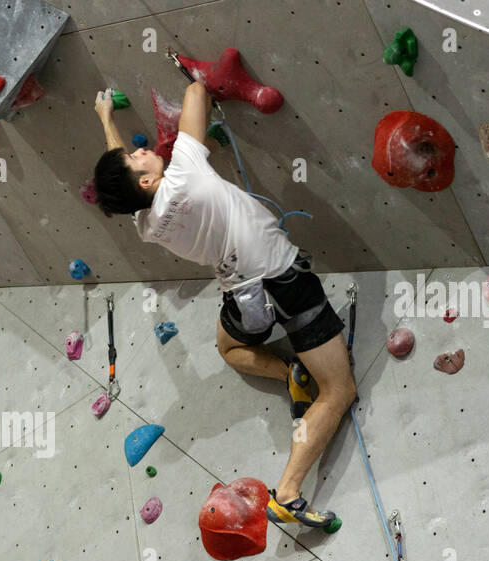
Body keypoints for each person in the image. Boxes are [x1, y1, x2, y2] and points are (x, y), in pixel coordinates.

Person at [91, 82, 357, 528]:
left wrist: (107, 120)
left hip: (245, 300)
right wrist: (192, 75)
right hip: (286, 283)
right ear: (147, 179)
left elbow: (124, 186)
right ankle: (287, 492)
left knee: (230, 349)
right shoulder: (185, 171)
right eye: (137, 155)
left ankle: (289, 372)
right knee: (339, 391)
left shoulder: (147, 224)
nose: (141, 150)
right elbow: (196, 92)